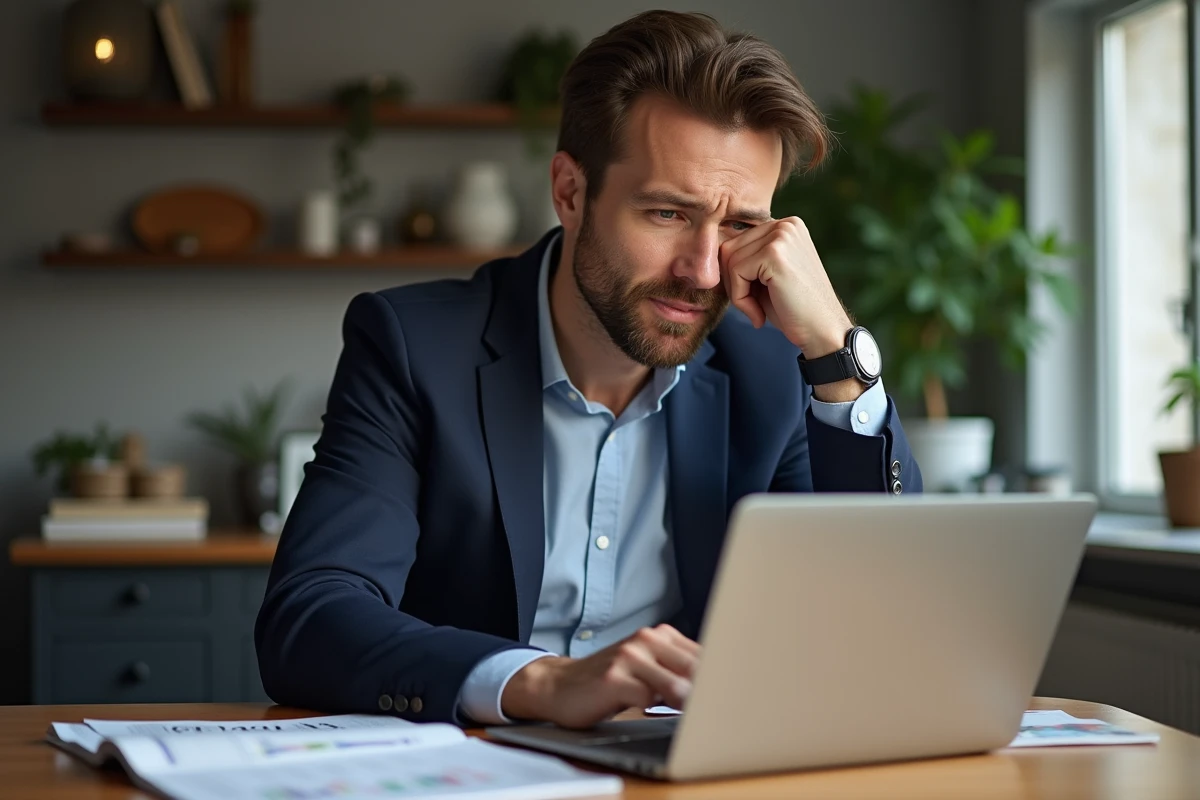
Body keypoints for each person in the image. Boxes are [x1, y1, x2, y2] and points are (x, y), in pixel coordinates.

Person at [256, 9, 922, 731]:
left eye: (738, 227)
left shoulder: (774, 370)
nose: (702, 272)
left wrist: (838, 351)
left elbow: (880, 614)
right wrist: (541, 683)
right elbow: (312, 617)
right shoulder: (416, 347)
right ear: (570, 192)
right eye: (667, 214)